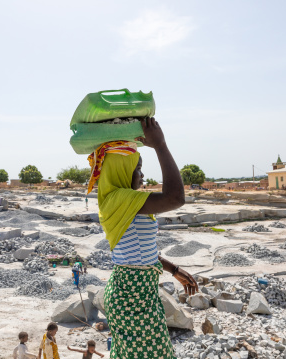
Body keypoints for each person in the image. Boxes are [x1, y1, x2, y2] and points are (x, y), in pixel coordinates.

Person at [85, 117, 198, 359]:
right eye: (137, 169)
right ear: (122, 172)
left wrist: (173, 269)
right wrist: (161, 146)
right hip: (130, 296)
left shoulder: (126, 200)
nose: (142, 174)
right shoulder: (118, 199)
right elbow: (175, 198)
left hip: (140, 290)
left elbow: (139, 249)